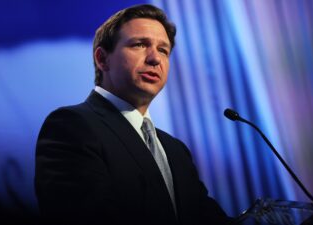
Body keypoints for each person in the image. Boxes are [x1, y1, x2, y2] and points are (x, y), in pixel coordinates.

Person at [35, 4, 231, 225]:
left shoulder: (176, 150)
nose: (155, 59)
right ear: (102, 59)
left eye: (163, 50)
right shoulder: (71, 126)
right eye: (140, 44)